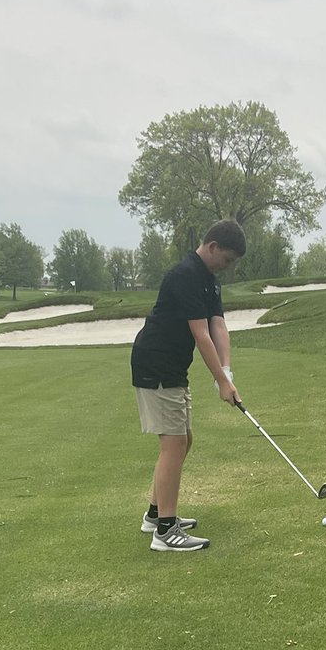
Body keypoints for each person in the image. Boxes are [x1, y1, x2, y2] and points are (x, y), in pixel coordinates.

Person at [131, 219, 247, 552]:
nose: (226, 267)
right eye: (226, 259)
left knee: (184, 440)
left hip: (172, 365)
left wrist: (227, 370)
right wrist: (220, 383)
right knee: (174, 444)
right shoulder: (184, 276)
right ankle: (165, 532)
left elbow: (218, 327)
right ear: (212, 248)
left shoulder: (208, 280)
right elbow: (200, 335)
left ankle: (155, 514)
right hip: (156, 363)